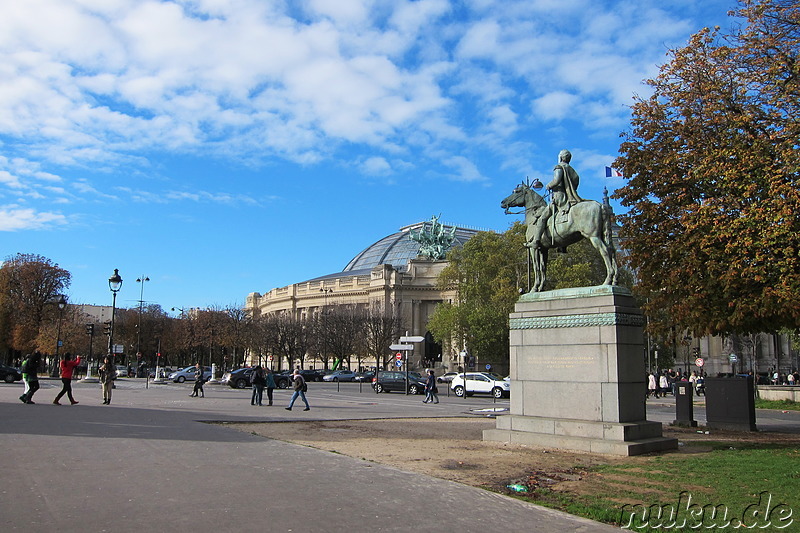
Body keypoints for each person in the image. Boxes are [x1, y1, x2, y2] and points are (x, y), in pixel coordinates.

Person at [531, 149, 584, 249]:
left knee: (542, 218)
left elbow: (556, 180)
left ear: (560, 157)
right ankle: (562, 245)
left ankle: (536, 241)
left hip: (559, 198)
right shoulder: (573, 171)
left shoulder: (559, 167)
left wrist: (549, 185)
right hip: (571, 197)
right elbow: (575, 184)